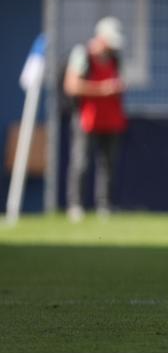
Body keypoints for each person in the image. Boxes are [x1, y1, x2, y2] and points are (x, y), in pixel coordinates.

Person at [63, 17, 127, 223]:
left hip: (110, 117)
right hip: (86, 116)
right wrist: (101, 89)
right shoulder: (82, 54)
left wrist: (116, 88)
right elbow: (71, 85)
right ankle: (75, 205)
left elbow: (120, 81)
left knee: (107, 162)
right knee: (81, 160)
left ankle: (104, 205)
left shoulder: (116, 58)